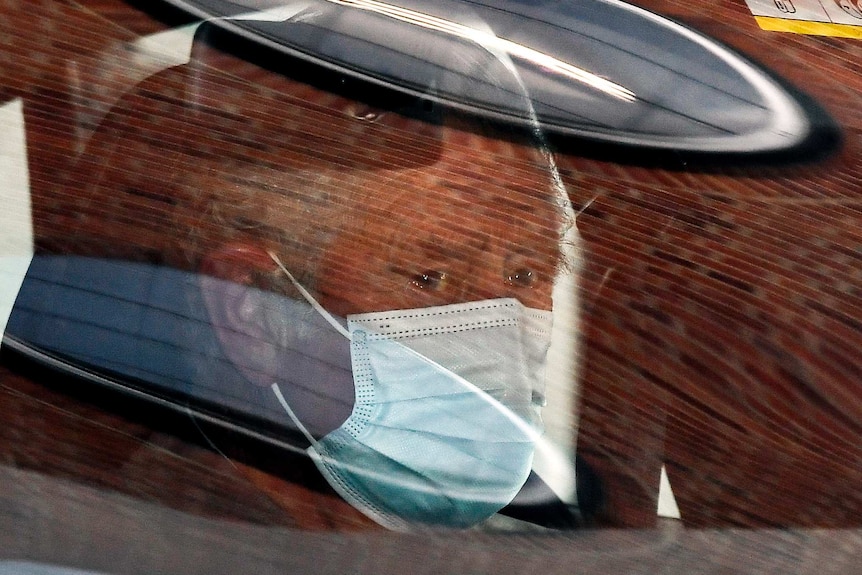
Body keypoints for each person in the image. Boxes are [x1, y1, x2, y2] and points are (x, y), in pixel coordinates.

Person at [12, 22, 583, 530]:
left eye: (526, 271)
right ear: (251, 313)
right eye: (428, 278)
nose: (501, 321)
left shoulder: (548, 552)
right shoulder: (129, 547)